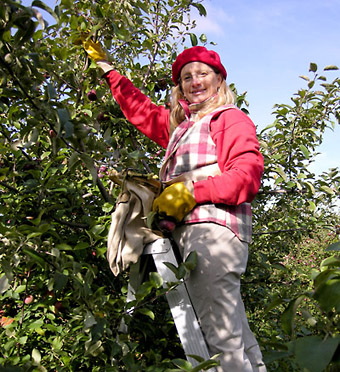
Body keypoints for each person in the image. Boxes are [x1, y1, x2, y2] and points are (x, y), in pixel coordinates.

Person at [83, 39, 266, 371]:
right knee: (236, 336)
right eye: (186, 77)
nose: (195, 81)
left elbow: (247, 177)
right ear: (179, 87)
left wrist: (192, 192)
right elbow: (141, 110)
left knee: (219, 340)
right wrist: (109, 70)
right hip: (190, 233)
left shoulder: (228, 119)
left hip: (214, 232)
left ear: (219, 79)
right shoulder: (180, 128)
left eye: (202, 73)